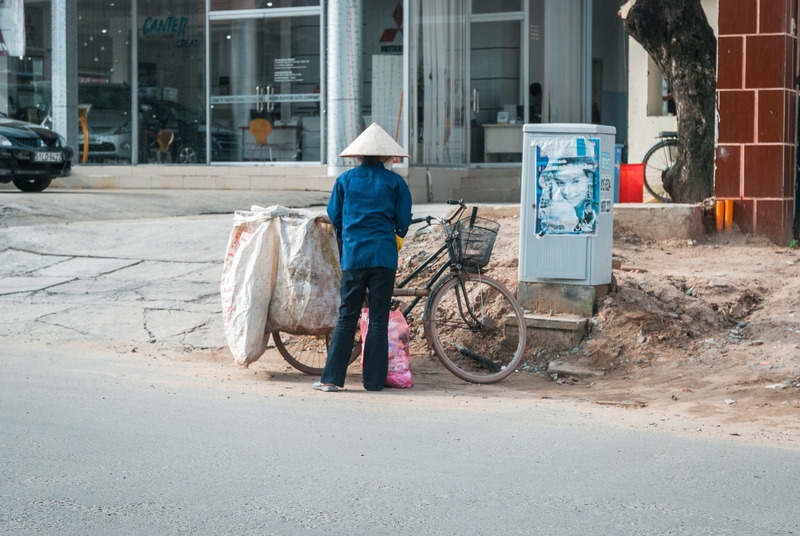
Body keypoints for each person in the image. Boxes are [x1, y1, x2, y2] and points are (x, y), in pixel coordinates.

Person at [313, 123, 413, 392]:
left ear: (359, 156)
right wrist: (396, 232)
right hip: (384, 257)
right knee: (379, 318)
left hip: (354, 257)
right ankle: (373, 382)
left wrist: (349, 231)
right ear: (386, 157)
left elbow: (335, 216)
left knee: (347, 317)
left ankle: (331, 379)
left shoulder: (344, 180)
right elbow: (403, 221)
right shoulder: (396, 182)